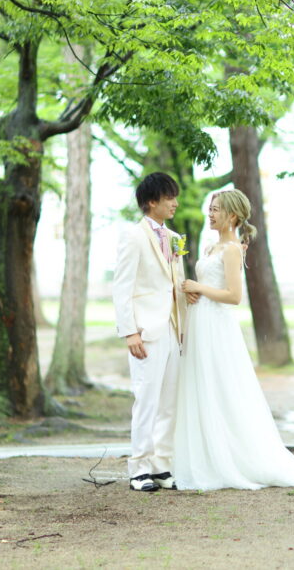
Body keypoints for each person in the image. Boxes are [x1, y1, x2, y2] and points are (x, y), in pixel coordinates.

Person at [174, 189, 294, 491]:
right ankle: (206, 456)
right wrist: (192, 292)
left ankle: (234, 457)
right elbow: (209, 286)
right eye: (210, 208)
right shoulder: (211, 247)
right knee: (202, 384)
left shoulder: (231, 249)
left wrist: (198, 288)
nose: (210, 213)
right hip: (200, 321)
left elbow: (234, 296)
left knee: (221, 385)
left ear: (232, 215)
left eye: (216, 209)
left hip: (217, 325)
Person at [112, 172, 195, 492]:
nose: (175, 203)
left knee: (169, 402)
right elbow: (122, 287)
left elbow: (175, 282)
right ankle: (139, 469)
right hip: (146, 331)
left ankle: (161, 466)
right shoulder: (133, 236)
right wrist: (129, 332)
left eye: (175, 197)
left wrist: (186, 308)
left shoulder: (173, 237)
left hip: (173, 329)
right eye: (169, 198)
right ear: (151, 202)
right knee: (146, 401)